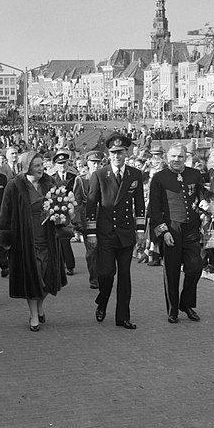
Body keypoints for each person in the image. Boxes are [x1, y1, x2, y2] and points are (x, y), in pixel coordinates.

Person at [0, 151, 68, 332]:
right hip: (25, 240)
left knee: (47, 277)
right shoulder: (14, 185)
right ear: (27, 166)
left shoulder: (50, 183)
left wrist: (62, 219)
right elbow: (5, 213)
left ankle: (40, 305)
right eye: (36, 165)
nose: (41, 168)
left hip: (48, 239)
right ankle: (33, 314)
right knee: (32, 277)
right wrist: (5, 240)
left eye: (42, 165)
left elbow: (62, 207)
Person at [85, 133, 146, 329]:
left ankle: (123, 317)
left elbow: (140, 205)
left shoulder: (134, 174)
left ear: (126, 153)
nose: (117, 156)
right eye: (113, 153)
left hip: (126, 232)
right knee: (106, 274)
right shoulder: (100, 175)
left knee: (125, 276)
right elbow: (91, 205)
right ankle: (102, 302)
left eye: (120, 152)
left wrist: (140, 230)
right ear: (108, 154)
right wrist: (92, 233)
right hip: (106, 233)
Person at [148, 142, 208, 323]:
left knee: (195, 267)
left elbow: (202, 194)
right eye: (173, 156)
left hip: (191, 227)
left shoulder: (194, 174)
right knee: (172, 271)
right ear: (167, 158)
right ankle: (173, 309)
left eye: (180, 157)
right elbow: (155, 209)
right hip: (171, 228)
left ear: (185, 157)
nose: (176, 160)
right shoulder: (159, 178)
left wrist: (205, 202)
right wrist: (163, 231)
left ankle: (186, 303)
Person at [74, 150, 103, 289]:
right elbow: (77, 202)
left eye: (98, 163)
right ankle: (94, 278)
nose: (96, 165)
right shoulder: (81, 179)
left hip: (104, 218)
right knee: (92, 249)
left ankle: (103, 275)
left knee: (104, 249)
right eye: (93, 162)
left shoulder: (106, 177)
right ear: (88, 163)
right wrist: (78, 222)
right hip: (88, 218)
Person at [51, 150, 77, 275]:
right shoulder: (51, 178)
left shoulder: (73, 177)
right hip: (56, 210)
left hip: (69, 210)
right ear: (56, 164)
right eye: (60, 163)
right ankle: (62, 264)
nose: (62, 165)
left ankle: (69, 265)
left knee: (65, 237)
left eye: (64, 162)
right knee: (59, 238)